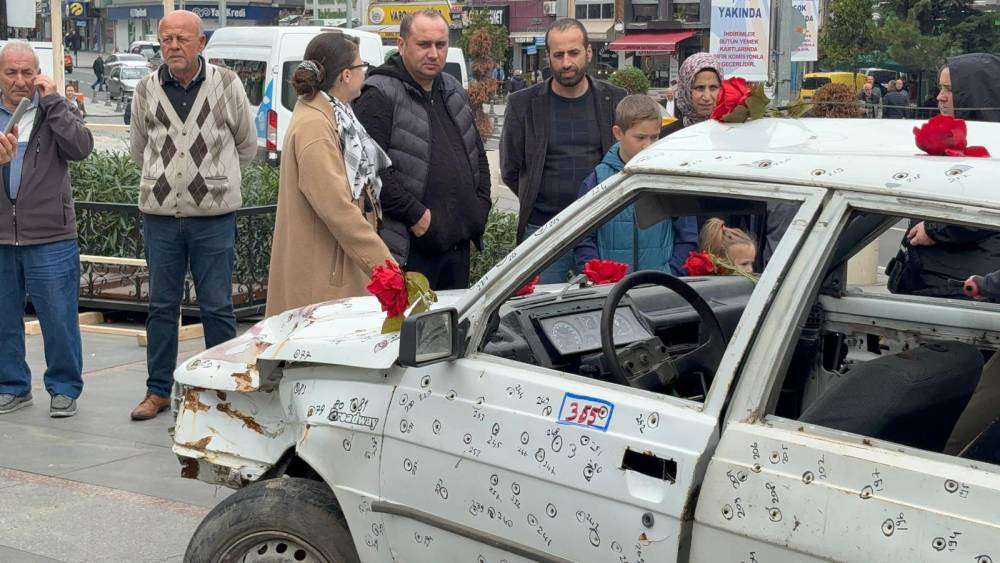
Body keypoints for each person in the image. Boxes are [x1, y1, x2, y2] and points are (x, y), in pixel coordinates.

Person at [128, 10, 255, 421]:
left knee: (218, 306)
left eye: (183, 39)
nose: (173, 46)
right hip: (160, 217)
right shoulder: (147, 88)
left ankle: (222, 390)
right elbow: (138, 148)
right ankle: (157, 390)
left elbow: (246, 145)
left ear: (201, 44)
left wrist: (214, 182)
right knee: (161, 307)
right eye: (166, 39)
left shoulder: (227, 84)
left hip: (213, 218)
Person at [354, 10, 491, 291]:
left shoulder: (452, 90)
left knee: (453, 333)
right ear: (402, 45)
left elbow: (476, 154)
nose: (433, 53)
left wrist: (480, 208)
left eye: (440, 45)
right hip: (410, 250)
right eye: (424, 44)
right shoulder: (378, 94)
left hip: (458, 247)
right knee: (413, 333)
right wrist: (417, 217)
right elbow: (371, 172)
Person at [266, 33, 394, 316]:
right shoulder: (316, 125)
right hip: (322, 276)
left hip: (330, 267)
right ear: (346, 75)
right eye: (362, 67)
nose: (365, 73)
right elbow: (337, 207)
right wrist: (384, 266)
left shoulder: (335, 115)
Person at [0, 40, 94, 417]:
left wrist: (55, 102)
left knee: (59, 319)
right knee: (4, 319)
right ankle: (11, 385)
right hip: (2, 236)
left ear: (38, 73)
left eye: (28, 72)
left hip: (51, 236)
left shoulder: (56, 109)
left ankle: (64, 387)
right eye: (11, 72)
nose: (20, 81)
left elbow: (81, 147)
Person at [500, 18, 626, 282]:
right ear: (548, 57)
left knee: (600, 308)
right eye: (558, 55)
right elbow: (511, 169)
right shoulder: (522, 104)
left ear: (588, 53)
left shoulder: (614, 100)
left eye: (573, 53)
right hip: (543, 231)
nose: (566, 62)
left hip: (599, 228)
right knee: (539, 312)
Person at [574, 94, 697, 275]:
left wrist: (671, 274)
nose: (647, 145)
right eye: (640, 138)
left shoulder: (670, 179)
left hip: (660, 287)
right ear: (618, 133)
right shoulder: (598, 181)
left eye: (654, 137)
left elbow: (687, 237)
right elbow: (582, 239)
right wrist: (599, 275)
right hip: (610, 290)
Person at [659, 53, 722, 138]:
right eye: (699, 88)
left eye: (713, 88)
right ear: (685, 90)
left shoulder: (731, 131)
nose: (707, 97)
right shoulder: (667, 136)